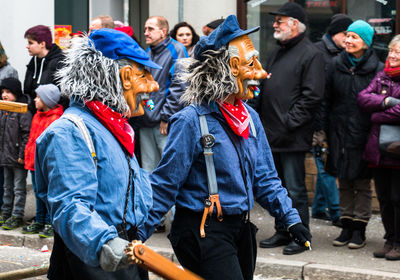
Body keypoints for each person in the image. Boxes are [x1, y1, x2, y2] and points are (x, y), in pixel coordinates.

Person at [138, 15, 311, 280]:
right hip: (203, 230)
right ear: (229, 68)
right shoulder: (190, 120)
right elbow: (165, 183)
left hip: (240, 228)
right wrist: (137, 235)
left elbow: (264, 177)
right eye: (251, 62)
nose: (260, 71)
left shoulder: (249, 118)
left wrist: (290, 217)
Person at [34, 29, 161, 279]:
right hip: (92, 257)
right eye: (142, 75)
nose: (153, 85)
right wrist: (102, 243)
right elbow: (70, 205)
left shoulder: (115, 126)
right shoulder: (70, 131)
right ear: (120, 78)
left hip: (126, 250)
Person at [257, 2, 325, 255]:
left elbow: (312, 97)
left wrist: (288, 123)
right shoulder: (277, 51)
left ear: (294, 24)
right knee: (279, 188)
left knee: (295, 189)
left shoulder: (312, 54)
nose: (275, 24)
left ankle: (301, 236)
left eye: (280, 21)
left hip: (292, 136)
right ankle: (283, 230)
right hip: (270, 134)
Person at [321, 20, 383, 249]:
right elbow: (326, 100)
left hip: (365, 134)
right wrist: (323, 130)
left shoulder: (378, 69)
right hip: (338, 132)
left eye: (354, 37)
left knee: (362, 183)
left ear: (365, 43)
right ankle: (346, 226)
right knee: (344, 181)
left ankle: (359, 229)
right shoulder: (335, 65)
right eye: (347, 35)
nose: (348, 40)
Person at [357, 34, 400, 260]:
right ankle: (389, 238)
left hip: (397, 149)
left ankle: (399, 243)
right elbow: (363, 98)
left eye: (398, 53)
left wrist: (377, 114)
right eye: (391, 51)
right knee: (383, 197)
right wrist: (385, 102)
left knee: (398, 198)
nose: (392, 55)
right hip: (379, 150)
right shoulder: (382, 76)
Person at [311, 14, 353, 226]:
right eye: (345, 34)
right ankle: (337, 213)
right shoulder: (319, 53)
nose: (348, 39)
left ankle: (319, 208)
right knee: (326, 167)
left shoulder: (341, 53)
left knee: (325, 164)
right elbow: (317, 93)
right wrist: (320, 125)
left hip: (333, 120)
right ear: (334, 33)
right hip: (318, 122)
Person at [21, 84, 63, 238]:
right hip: (33, 162)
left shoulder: (56, 119)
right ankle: (39, 220)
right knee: (38, 192)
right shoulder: (37, 115)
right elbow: (32, 139)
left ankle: (50, 222)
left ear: (47, 100)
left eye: (38, 97)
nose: (35, 99)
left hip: (46, 165)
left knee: (47, 194)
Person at [0, 77, 32, 229]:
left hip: (18, 158)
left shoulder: (22, 110)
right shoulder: (3, 110)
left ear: (16, 93)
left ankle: (17, 215)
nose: (4, 95)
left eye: (8, 92)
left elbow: (26, 135)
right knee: (7, 187)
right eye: (3, 92)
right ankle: (6, 213)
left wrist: (22, 155)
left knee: (19, 188)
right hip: (5, 157)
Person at [24, 25, 66, 112]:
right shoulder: (33, 61)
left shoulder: (60, 62)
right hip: (35, 115)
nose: (27, 46)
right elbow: (27, 91)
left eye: (30, 43)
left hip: (52, 117)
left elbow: (63, 96)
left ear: (42, 44)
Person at [0, 41, 19, 210]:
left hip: (6, 120)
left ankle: (7, 209)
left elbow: (12, 96)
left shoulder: (8, 71)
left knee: (8, 179)